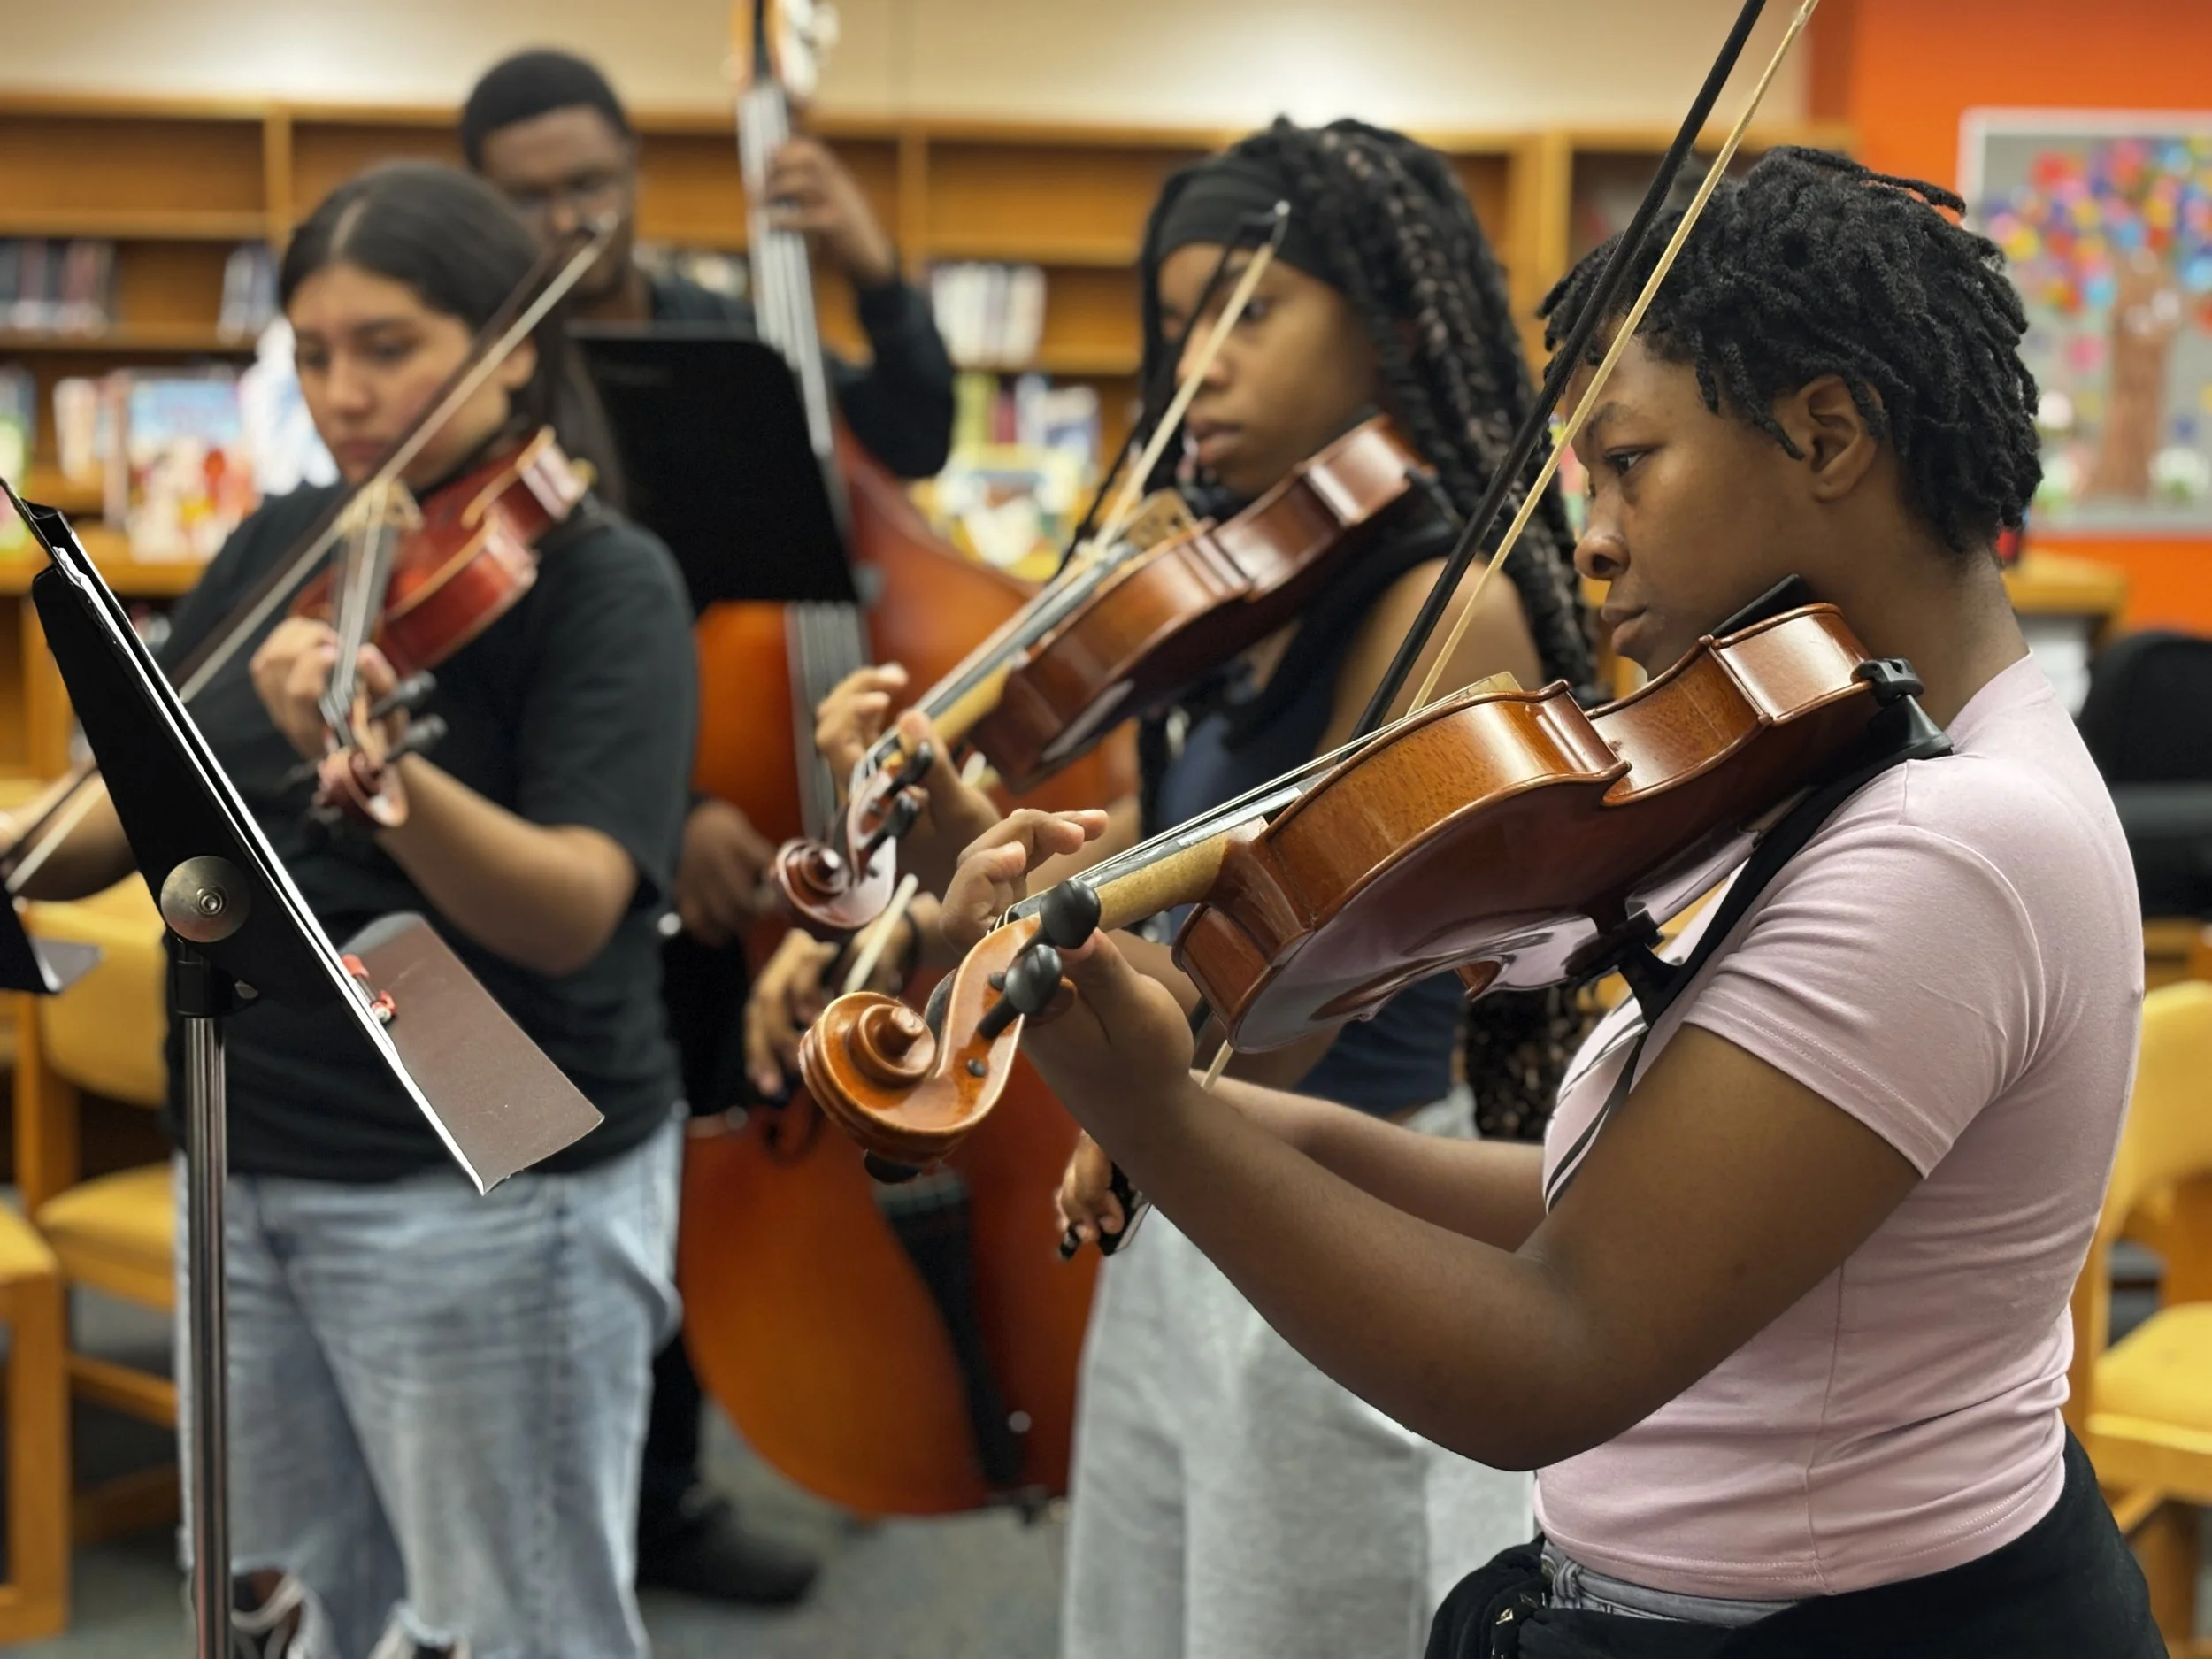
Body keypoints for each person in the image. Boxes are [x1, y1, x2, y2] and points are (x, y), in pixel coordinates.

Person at [935, 148, 2162, 1656]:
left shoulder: (1950, 849)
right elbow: (1618, 1199)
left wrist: (1165, 1121)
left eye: (1627, 462)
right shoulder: (1863, 775)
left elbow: (1555, 1358)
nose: (1587, 533)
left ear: (1828, 433)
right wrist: (1246, 1120)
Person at [751, 119, 1597, 1659]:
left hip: (1344, 1211)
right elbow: (1149, 886)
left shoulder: (1442, 614)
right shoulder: (1228, 599)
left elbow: (1269, 1022)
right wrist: (947, 878)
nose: (1197, 361)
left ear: (1394, 324)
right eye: (1178, 320)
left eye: (1249, 312)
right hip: (1175, 1189)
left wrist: (971, 869)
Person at [19, 163, 695, 1659]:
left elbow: (574, 910)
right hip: (247, 1157)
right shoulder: (279, 545)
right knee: (285, 1601)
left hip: (487, 1194)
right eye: (314, 353)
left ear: (514, 345)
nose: (343, 392)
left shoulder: (603, 581)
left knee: (504, 1619)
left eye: (388, 347)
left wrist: (386, 776)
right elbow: (130, 801)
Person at [461, 46, 958, 1603]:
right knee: (585, 1154)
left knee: (699, 1147)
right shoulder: (477, 392)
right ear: (484, 211)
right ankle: (567, 1501)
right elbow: (501, 651)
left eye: (590, 185)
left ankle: (665, 1496)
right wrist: (659, 807)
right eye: (530, 198)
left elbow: (911, 444)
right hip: (571, 828)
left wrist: (877, 276)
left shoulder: (719, 337)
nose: (569, 221)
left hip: (751, 803)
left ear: (633, 178)